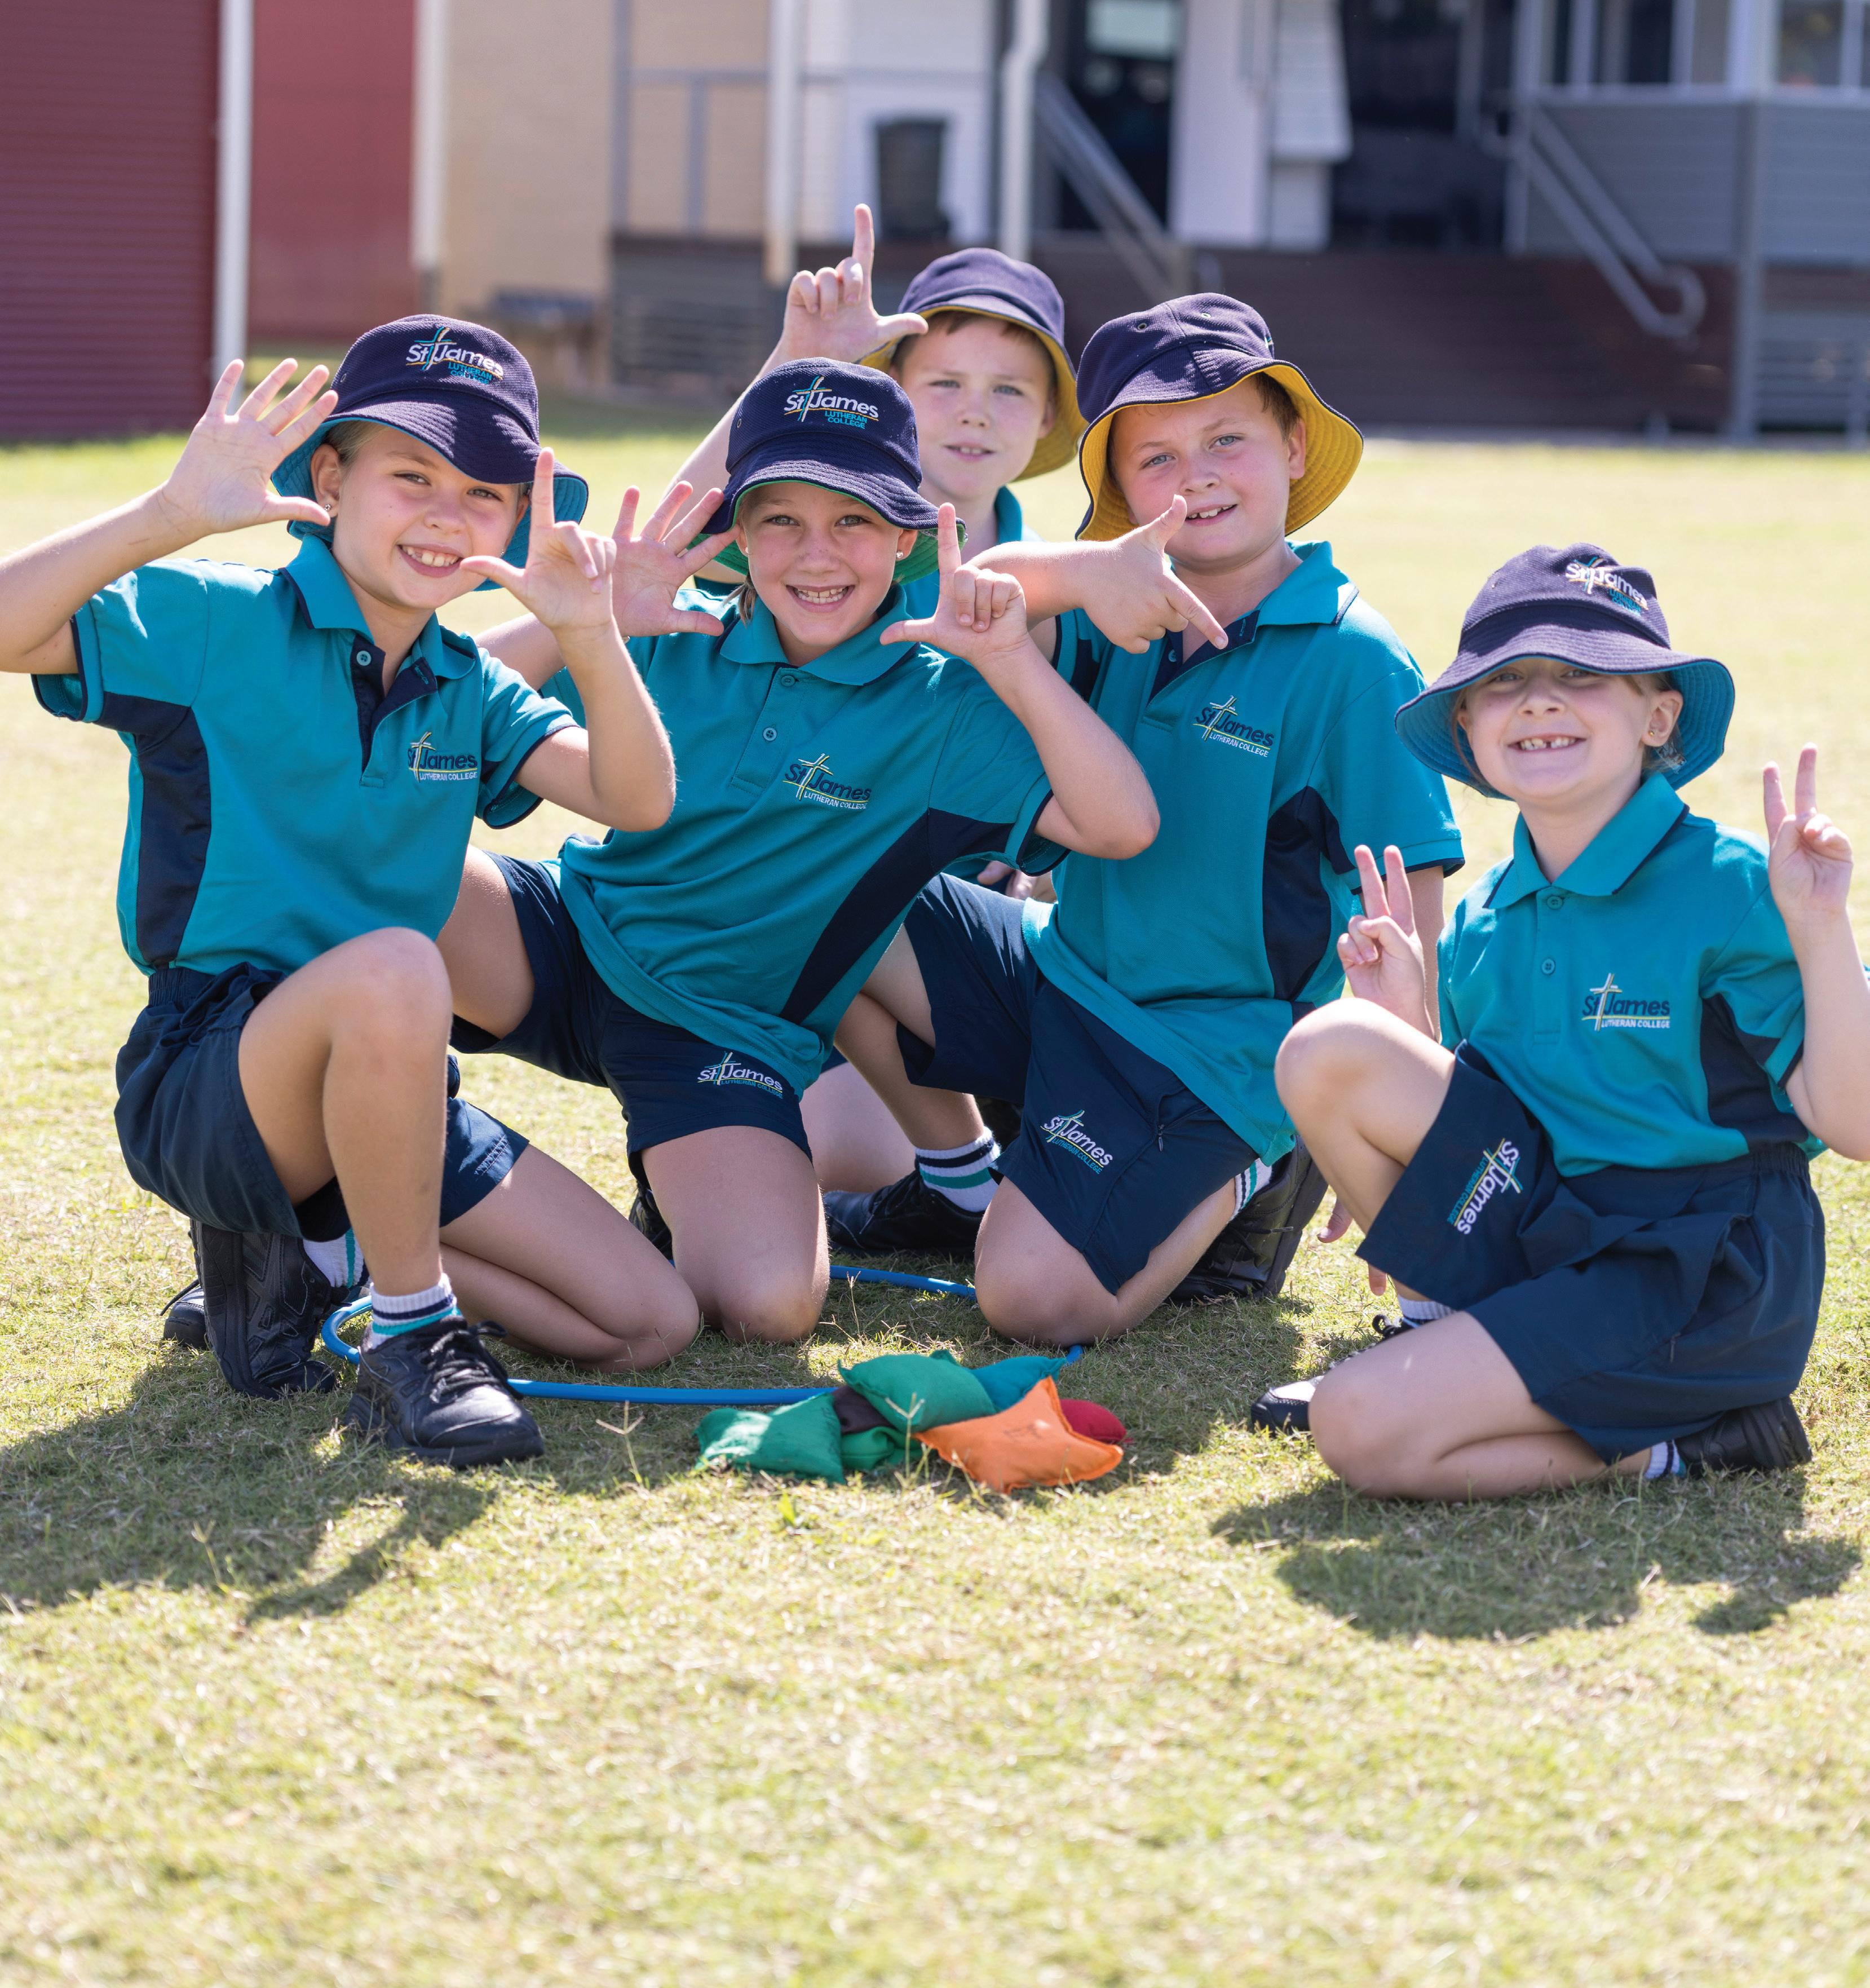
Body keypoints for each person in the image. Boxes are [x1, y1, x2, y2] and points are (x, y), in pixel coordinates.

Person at [1, 322, 700, 1464]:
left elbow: (637, 796)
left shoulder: (470, 685)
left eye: (484, 495)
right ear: (329, 481)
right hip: (211, 1074)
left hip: (394, 1081)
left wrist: (589, 632)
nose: (446, 516)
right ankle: (412, 1333)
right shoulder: (218, 619)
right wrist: (167, 515)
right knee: (398, 964)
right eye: (412, 476)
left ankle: (334, 1263)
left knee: (646, 1322)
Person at [441, 357, 1160, 1347]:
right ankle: (324, 1178)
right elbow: (415, 716)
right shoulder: (674, 628)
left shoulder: (940, 700)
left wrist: (1009, 662)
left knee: (768, 1307)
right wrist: (582, 627)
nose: (816, 555)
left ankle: (433, 1221)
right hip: (563, 942)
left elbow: (1121, 826)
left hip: (722, 1034)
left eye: (853, 520)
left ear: (907, 535)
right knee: (370, 879)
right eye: (781, 519)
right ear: (737, 535)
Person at [823, 293, 1465, 1346]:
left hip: (1211, 1044)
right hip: (1062, 972)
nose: (1195, 475)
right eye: (1155, 458)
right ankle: (959, 1178)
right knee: (827, 878)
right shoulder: (1111, 607)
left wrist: (1394, 1103)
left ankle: (1258, 1163)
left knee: (1030, 1304)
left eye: (1225, 440)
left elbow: (1409, 904)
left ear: (1293, 448)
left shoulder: (1350, 657)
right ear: (1121, 492)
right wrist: (1086, 573)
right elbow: (968, 592)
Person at [1261, 543, 1869, 1496]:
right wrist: (1404, 1021)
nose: (1538, 703)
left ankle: (1707, 1440)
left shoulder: (1735, 885)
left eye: (1581, 675)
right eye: (1502, 683)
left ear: (1657, 717)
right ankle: (1437, 1338)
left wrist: (1822, 925)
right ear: (1466, 729)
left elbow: (1855, 1124)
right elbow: (1486, 1130)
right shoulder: (1480, 918)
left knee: (1357, 1427)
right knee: (1332, 1047)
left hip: (1700, 1267)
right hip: (1557, 1236)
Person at [667, 209, 1089, 1192]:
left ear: (1045, 423)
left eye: (1008, 391)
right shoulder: (812, 546)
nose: (974, 414)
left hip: (963, 943)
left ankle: (999, 1119)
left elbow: (1082, 809)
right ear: (891, 390)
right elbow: (667, 545)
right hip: (789, 922)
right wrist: (797, 363)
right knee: (842, 1165)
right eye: (944, 384)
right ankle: (947, 1155)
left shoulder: (1066, 583)